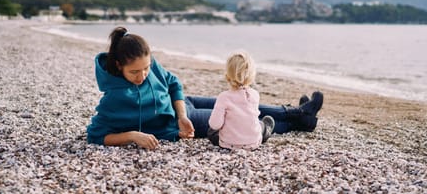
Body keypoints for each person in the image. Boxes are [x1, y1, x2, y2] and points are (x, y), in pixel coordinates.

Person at [86, 27, 323, 149]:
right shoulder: (113, 100)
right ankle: (299, 121)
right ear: (119, 66)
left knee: (239, 98)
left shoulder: (150, 65)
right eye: (135, 72)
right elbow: (95, 135)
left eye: (146, 68)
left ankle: (297, 112)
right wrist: (132, 136)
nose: (143, 76)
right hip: (177, 125)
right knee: (237, 115)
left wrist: (181, 114)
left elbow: (173, 83)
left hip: (182, 108)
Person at [207, 51, 275, 150]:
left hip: (228, 144)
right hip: (253, 144)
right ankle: (266, 131)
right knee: (259, 124)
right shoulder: (255, 95)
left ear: (227, 76)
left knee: (211, 131)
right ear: (252, 76)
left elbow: (215, 124)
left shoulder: (224, 97)